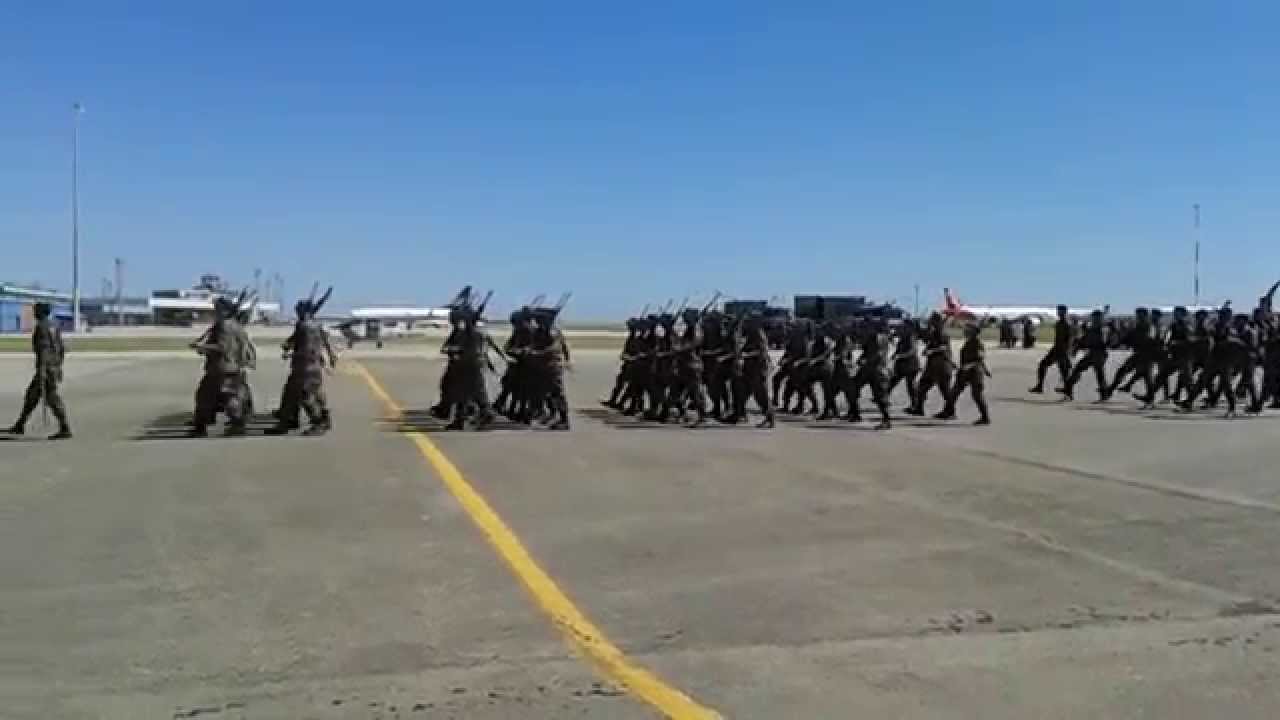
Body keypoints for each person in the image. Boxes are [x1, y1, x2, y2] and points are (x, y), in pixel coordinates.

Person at [269, 296, 337, 435]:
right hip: (311, 365)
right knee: (290, 394)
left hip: (306, 366)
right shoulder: (314, 325)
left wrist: (291, 354)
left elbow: (307, 348)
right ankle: (288, 420)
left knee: (306, 396)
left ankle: (318, 423)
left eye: (298, 310)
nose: (296, 312)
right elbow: (323, 341)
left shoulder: (305, 326)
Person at [6, 302, 72, 439]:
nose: (34, 313)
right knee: (32, 396)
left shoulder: (42, 327)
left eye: (35, 310)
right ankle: (20, 425)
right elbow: (61, 348)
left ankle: (65, 428)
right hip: (53, 366)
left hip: (46, 369)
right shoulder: (54, 325)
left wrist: (42, 370)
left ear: (41, 312)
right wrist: (59, 366)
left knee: (52, 398)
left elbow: (44, 350)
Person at [936, 323, 991, 425]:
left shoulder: (977, 343)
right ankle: (948, 412)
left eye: (967, 329)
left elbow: (980, 357)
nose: (965, 331)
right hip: (964, 373)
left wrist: (970, 366)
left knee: (977, 395)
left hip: (974, 373)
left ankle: (985, 417)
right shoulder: (969, 342)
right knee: (954, 393)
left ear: (973, 332)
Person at [1061, 309, 1110, 402]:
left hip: (1099, 354)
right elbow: (1084, 340)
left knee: (1098, 374)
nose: (1094, 319)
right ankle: (1068, 390)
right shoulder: (1093, 328)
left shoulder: (1102, 329)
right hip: (1093, 354)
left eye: (1096, 318)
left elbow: (1102, 341)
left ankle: (1068, 389)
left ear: (1099, 318)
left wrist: (1083, 344)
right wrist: (1078, 347)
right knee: (1081, 369)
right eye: (1094, 318)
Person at [910, 313, 953, 415]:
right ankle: (919, 409)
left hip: (941, 366)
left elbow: (944, 347)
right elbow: (927, 340)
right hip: (932, 367)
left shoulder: (942, 333)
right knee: (922, 387)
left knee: (945, 391)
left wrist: (931, 351)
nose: (930, 322)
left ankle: (950, 411)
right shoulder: (934, 332)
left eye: (932, 320)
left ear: (937, 321)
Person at [1029, 305, 1072, 393]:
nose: (1058, 312)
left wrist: (1066, 351)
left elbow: (1069, 338)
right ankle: (1040, 386)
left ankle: (1068, 391)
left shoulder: (1066, 324)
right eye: (1058, 311)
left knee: (1063, 371)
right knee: (1044, 365)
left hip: (1062, 350)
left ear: (1064, 312)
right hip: (1056, 348)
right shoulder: (1059, 323)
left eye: (1060, 311)